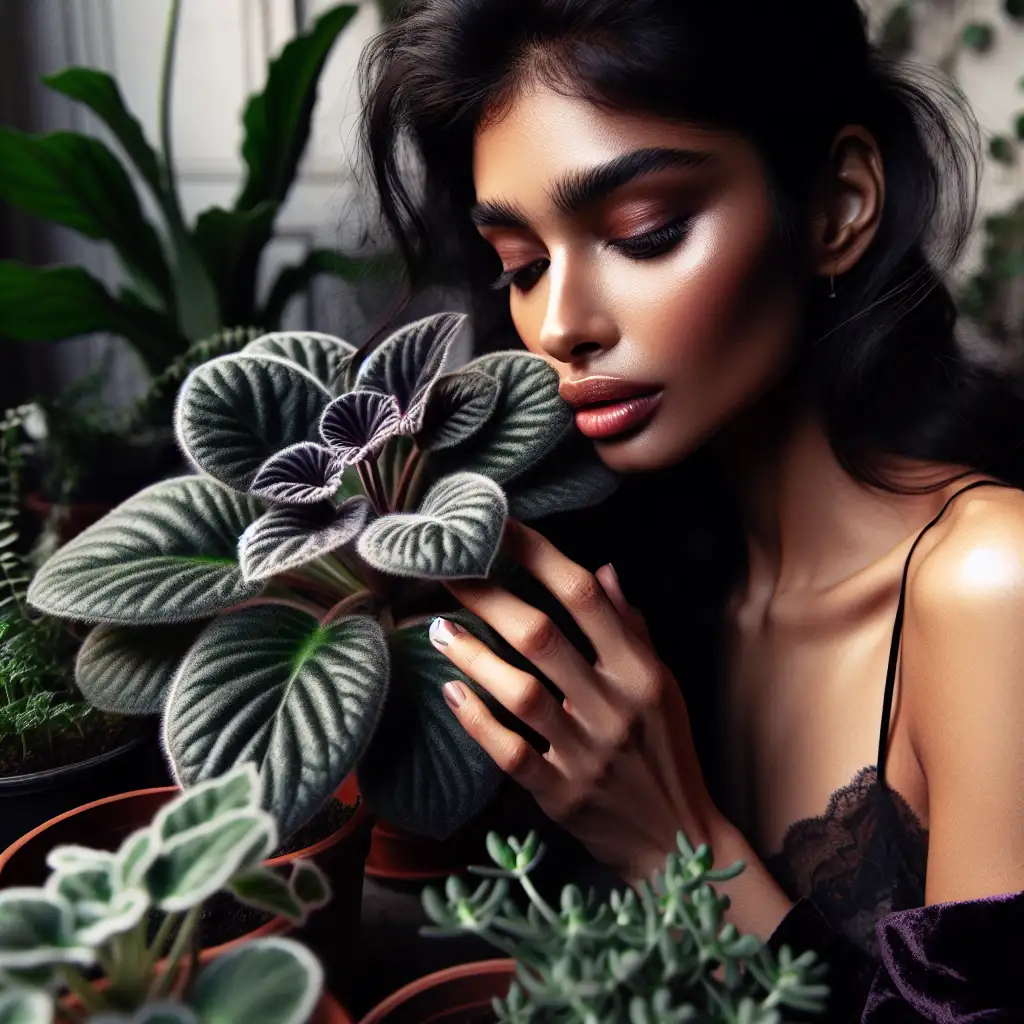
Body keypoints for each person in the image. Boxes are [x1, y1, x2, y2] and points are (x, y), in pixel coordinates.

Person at [359, 1, 1024, 1017]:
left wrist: (677, 846)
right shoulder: (635, 575)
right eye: (522, 265)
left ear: (836, 205)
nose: (561, 324)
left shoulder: (991, 586)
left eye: (644, 231)